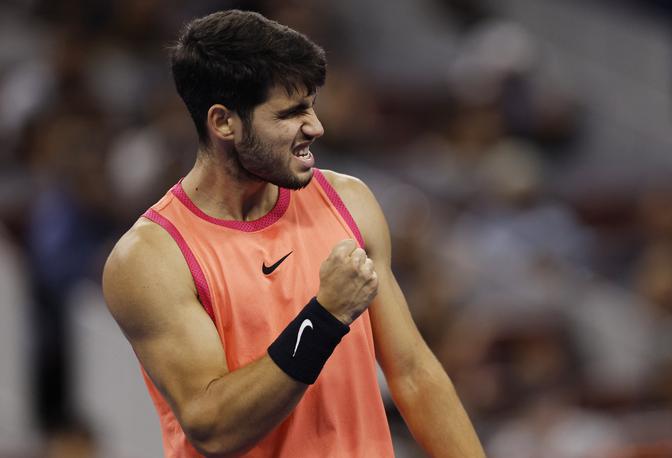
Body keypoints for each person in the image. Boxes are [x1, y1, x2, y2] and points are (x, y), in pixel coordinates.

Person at [102, 9, 485, 458]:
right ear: (224, 122)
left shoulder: (349, 201)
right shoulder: (150, 258)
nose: (315, 127)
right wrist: (323, 317)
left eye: (312, 105)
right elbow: (214, 429)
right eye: (290, 113)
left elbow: (414, 374)